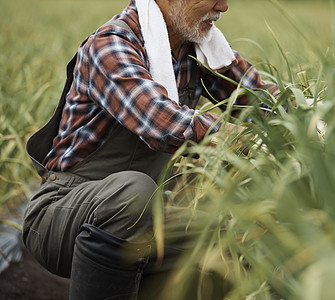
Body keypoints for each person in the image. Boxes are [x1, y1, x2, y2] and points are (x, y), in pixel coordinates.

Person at [22, 0, 277, 299]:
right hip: (63, 212)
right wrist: (242, 139)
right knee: (134, 195)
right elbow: (163, 122)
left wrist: (317, 121)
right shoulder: (111, 45)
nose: (223, 6)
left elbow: (262, 99)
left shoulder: (196, 45)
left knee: (228, 222)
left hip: (144, 208)